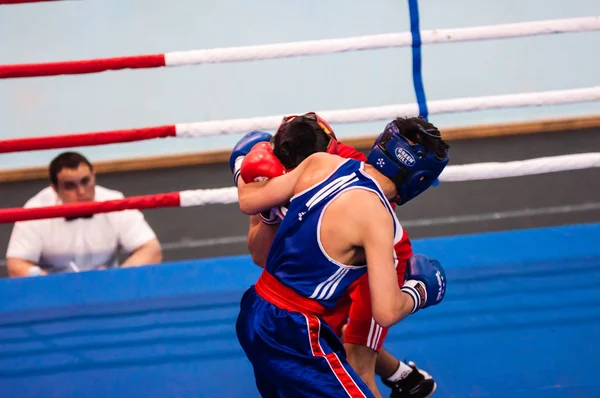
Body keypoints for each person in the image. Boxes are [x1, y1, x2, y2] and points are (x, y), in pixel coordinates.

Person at [234, 117, 449, 397]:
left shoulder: (320, 163)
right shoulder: (379, 219)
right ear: (420, 180)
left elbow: (248, 200)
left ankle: (404, 377)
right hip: (297, 332)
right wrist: (420, 290)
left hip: (254, 311)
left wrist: (243, 168)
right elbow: (387, 311)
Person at [6, 151, 163, 277]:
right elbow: (16, 264)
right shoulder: (36, 209)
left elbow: (151, 250)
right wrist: (52, 286)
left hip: (106, 289)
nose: (81, 192)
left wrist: (117, 277)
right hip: (54, 293)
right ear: (55, 188)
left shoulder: (114, 202)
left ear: (93, 176)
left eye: (85, 181)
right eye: (70, 186)